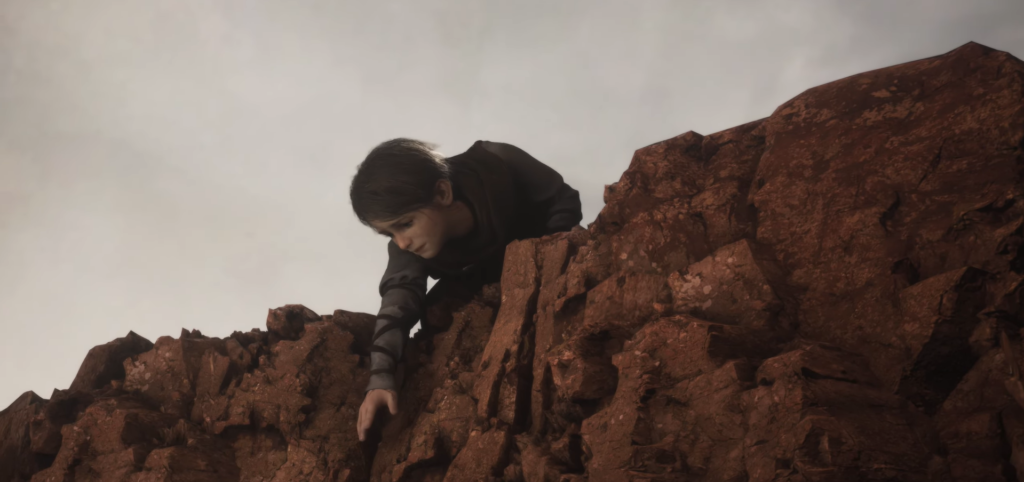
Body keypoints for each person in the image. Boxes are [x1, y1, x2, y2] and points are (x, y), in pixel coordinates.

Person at [349, 138, 583, 441]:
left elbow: (562, 200)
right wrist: (380, 378)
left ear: (442, 193)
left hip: (548, 268)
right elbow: (397, 302)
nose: (402, 243)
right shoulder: (407, 249)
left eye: (405, 224)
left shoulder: (498, 163)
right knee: (436, 313)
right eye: (389, 234)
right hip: (482, 293)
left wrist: (548, 258)